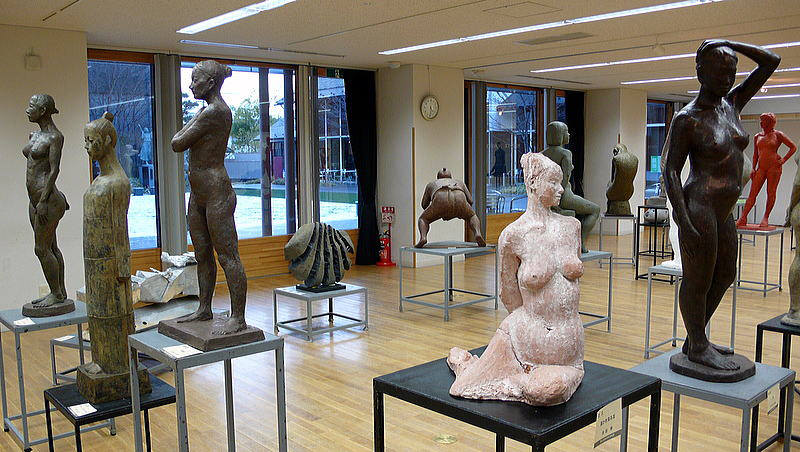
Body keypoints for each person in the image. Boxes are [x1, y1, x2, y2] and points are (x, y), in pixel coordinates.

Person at [664, 40, 779, 372]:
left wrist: (729, 44)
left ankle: (695, 338)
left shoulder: (732, 104)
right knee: (698, 280)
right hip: (699, 205)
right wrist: (683, 220)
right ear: (701, 72)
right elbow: (671, 170)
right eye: (720, 71)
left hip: (725, 208)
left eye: (732, 72)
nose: (727, 79)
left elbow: (770, 60)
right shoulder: (688, 119)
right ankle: (698, 345)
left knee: (726, 273)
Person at [447, 153, 584, 406]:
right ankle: (472, 367)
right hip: (523, 336)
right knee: (462, 388)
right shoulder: (513, 235)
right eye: (553, 182)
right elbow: (508, 294)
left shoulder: (571, 227)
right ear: (532, 183)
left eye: (561, 182)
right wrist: (535, 325)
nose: (561, 189)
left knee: (548, 390)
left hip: (568, 347)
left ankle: (513, 376)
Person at [171, 60, 249, 335]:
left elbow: (177, 143)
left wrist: (194, 119)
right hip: (199, 193)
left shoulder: (215, 112)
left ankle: (238, 317)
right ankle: (204, 308)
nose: (191, 85)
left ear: (211, 83)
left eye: (196, 80)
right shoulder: (205, 112)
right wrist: (195, 117)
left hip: (216, 192)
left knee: (227, 255)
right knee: (202, 253)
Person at [23, 94, 69, 308]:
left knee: (41, 249)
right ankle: (59, 292)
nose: (27, 109)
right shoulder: (34, 135)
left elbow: (54, 170)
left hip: (47, 200)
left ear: (42, 111)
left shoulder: (55, 137)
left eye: (31, 106)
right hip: (36, 200)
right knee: (51, 246)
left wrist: (42, 201)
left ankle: (56, 293)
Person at [541, 121, 599, 253]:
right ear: (560, 135)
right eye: (566, 132)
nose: (569, 135)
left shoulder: (541, 154)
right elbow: (565, 177)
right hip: (563, 196)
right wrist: (557, 198)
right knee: (595, 210)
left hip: (547, 195)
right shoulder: (565, 153)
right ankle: (581, 243)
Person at [736, 112, 796, 228]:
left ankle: (766, 217)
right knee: (753, 193)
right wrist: (753, 168)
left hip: (774, 168)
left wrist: (783, 160)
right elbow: (756, 154)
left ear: (769, 123)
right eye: (761, 121)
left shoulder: (778, 135)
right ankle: (743, 217)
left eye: (763, 121)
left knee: (771, 192)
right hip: (761, 168)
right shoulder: (757, 136)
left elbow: (793, 147)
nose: (761, 123)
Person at [416, 168, 485, 248]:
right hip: (459, 197)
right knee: (472, 216)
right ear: (450, 177)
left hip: (440, 198)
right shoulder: (460, 182)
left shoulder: (432, 184)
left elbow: (424, 205)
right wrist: (462, 211)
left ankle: (423, 237)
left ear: (438, 178)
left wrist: (435, 210)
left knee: (423, 219)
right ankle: (477, 233)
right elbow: (471, 201)